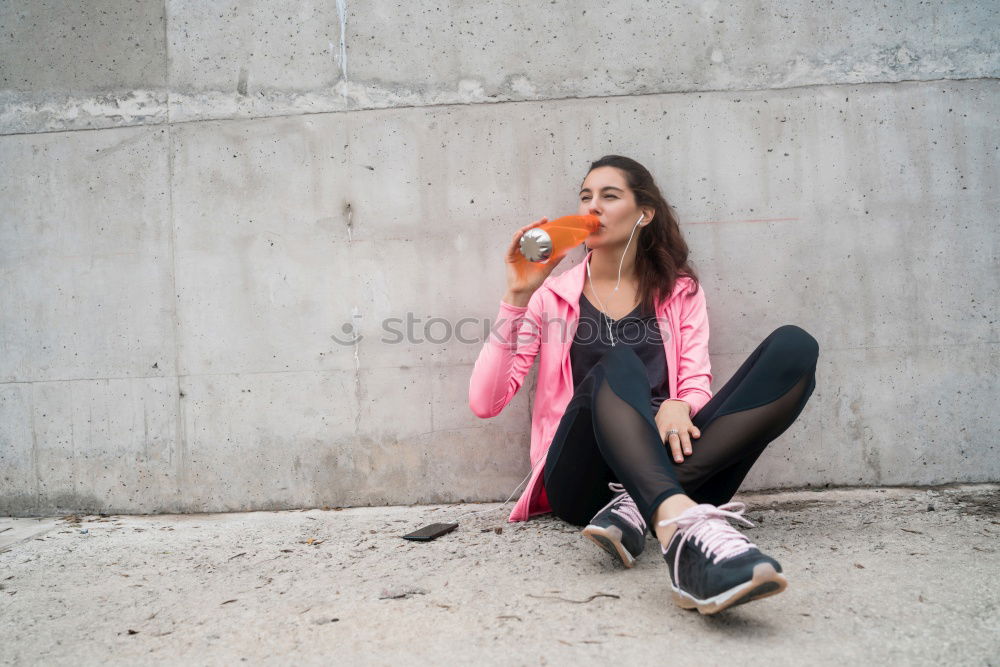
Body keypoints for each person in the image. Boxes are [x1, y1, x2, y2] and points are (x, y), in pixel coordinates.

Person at [468, 155, 819, 614]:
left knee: (794, 348)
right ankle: (670, 515)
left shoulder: (680, 290)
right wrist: (517, 294)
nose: (593, 207)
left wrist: (680, 402)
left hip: (675, 458)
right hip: (585, 484)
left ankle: (647, 508)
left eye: (609, 197)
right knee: (619, 359)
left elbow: (695, 380)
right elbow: (485, 401)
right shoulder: (550, 297)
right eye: (585, 197)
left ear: (644, 213)